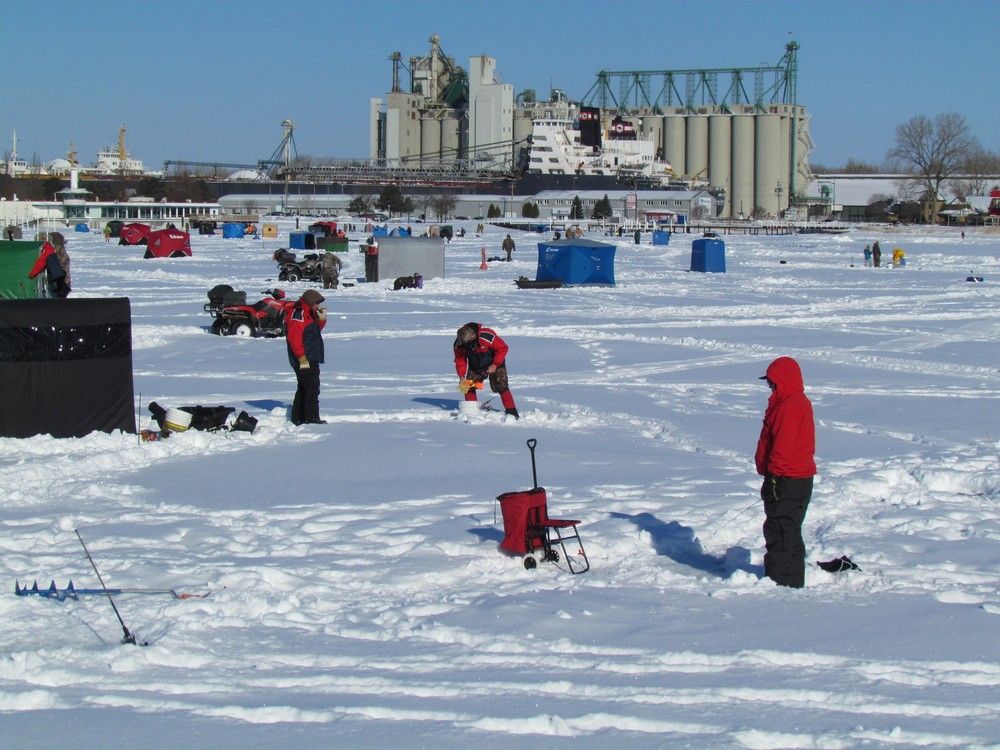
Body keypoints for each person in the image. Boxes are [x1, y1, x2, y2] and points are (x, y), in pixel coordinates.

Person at [754, 356, 816, 588]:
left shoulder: (789, 405)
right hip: (796, 478)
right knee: (789, 530)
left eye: (772, 382)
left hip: (788, 479)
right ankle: (792, 582)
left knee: (779, 531)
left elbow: (783, 444)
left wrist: (773, 477)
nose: (770, 386)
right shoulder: (792, 401)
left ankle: (780, 587)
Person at [454, 322, 519, 420]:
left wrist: (495, 364)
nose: (466, 346)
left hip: (495, 362)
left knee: (500, 386)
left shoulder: (487, 337)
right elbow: (460, 360)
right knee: (466, 385)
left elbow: (503, 348)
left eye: (469, 344)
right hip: (475, 364)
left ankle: (512, 413)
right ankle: (471, 411)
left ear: (475, 338)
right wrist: (461, 376)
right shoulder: (459, 345)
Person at [285, 289, 327, 425]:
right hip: (304, 358)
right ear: (310, 302)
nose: (317, 307)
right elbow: (294, 338)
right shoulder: (298, 314)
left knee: (304, 387)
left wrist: (321, 320)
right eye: (316, 304)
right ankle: (312, 418)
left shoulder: (308, 313)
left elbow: (313, 332)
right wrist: (301, 357)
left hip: (310, 356)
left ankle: (298, 418)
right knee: (312, 387)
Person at [27, 232, 71, 298]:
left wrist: (32, 274)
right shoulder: (54, 249)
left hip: (57, 279)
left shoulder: (47, 250)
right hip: (61, 278)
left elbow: (41, 263)